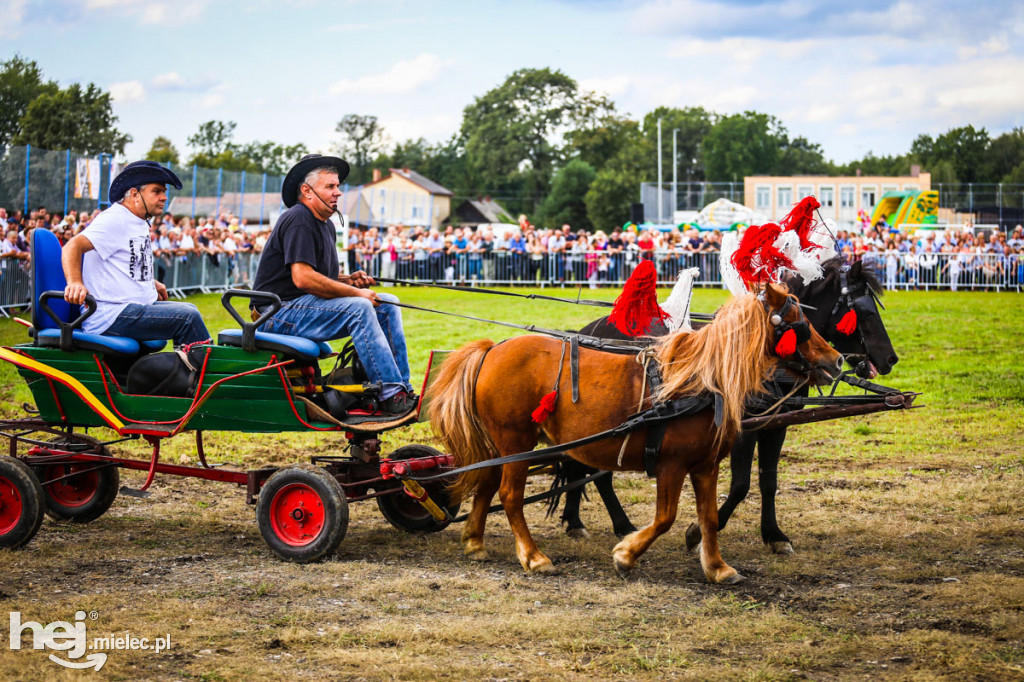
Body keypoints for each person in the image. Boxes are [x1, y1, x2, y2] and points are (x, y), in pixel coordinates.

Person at [251, 154, 415, 416]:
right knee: (359, 307)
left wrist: (349, 280)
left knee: (388, 303)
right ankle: (390, 394)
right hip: (275, 314)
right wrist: (356, 292)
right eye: (330, 186)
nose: (338, 192)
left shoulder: (325, 224)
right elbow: (303, 278)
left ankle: (402, 389)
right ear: (307, 191)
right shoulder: (298, 218)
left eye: (338, 186)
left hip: (298, 307)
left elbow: (317, 277)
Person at [62, 161, 210, 347]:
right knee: (188, 318)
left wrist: (151, 283)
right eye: (157, 191)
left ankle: (186, 368)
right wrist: (75, 282)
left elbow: (126, 262)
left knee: (190, 308)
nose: (164, 197)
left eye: (164, 191)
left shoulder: (137, 220)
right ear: (135, 194)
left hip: (129, 308)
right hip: (110, 315)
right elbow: (72, 246)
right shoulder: (115, 219)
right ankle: (204, 373)